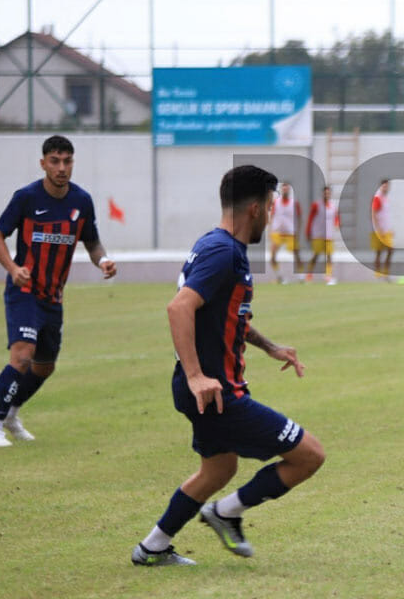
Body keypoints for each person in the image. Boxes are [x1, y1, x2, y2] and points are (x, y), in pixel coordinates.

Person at [131, 165, 325, 567]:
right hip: (217, 392)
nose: (272, 217)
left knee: (218, 469)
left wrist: (270, 346)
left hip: (205, 390)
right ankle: (225, 512)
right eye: (270, 207)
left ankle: (151, 547)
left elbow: (225, 316)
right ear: (255, 208)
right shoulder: (224, 252)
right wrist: (197, 374)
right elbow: (180, 307)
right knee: (309, 455)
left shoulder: (215, 245)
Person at [0, 135, 117, 448]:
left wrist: (104, 260)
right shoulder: (26, 198)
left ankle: (12, 414)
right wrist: (13, 270)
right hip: (24, 290)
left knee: (44, 366)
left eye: (67, 161)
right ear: (43, 163)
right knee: (22, 355)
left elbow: (92, 242)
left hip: (53, 297)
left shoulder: (81, 201)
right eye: (54, 161)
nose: (61, 168)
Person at [267, 182, 302, 284]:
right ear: (281, 190)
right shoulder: (276, 202)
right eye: (283, 189)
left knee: (297, 254)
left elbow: (299, 218)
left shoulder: (294, 203)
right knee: (272, 256)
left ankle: (301, 276)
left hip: (290, 232)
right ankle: (280, 277)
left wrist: (298, 232)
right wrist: (270, 230)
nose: (285, 190)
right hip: (277, 232)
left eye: (287, 189)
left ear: (289, 190)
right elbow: (272, 217)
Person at [304, 185, 340, 285]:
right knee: (316, 255)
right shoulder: (317, 205)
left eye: (328, 193)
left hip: (329, 235)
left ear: (330, 194)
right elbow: (310, 219)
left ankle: (328, 276)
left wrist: (337, 223)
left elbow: (336, 218)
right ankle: (309, 274)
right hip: (318, 235)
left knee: (329, 256)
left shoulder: (333, 206)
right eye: (325, 193)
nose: (326, 194)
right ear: (322, 193)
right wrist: (308, 232)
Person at [370, 179, 394, 280]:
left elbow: (386, 215)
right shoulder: (378, 198)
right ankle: (378, 273)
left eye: (387, 186)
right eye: (384, 186)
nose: (386, 188)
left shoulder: (385, 198)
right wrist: (378, 229)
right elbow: (374, 213)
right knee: (378, 252)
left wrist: (390, 228)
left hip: (387, 230)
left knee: (390, 250)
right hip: (379, 230)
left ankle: (385, 272)